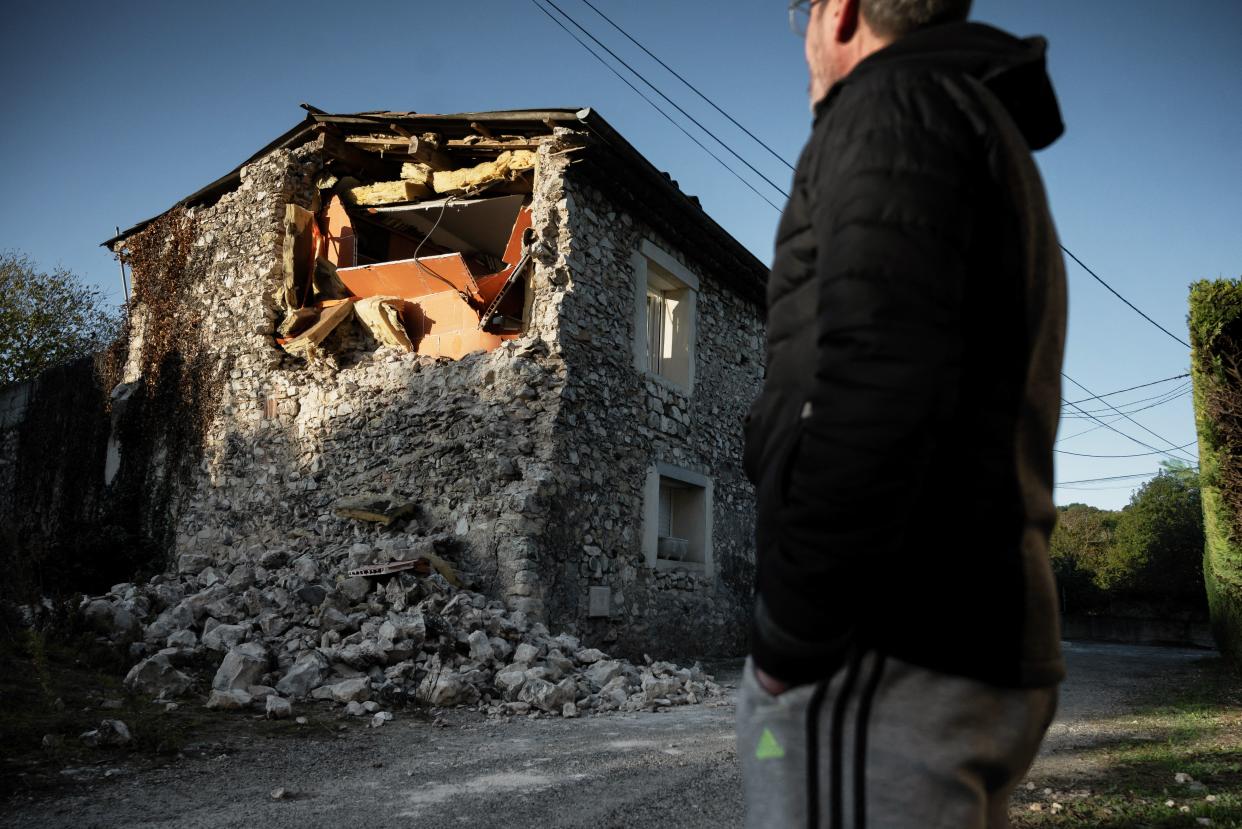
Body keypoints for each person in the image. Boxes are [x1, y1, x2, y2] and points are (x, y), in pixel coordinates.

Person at [737, 0, 1067, 827]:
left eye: (800, 16)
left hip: (882, 646)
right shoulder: (960, 118)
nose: (802, 39)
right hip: (946, 641)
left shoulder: (894, 111)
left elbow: (880, 376)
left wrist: (793, 636)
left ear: (839, 12)